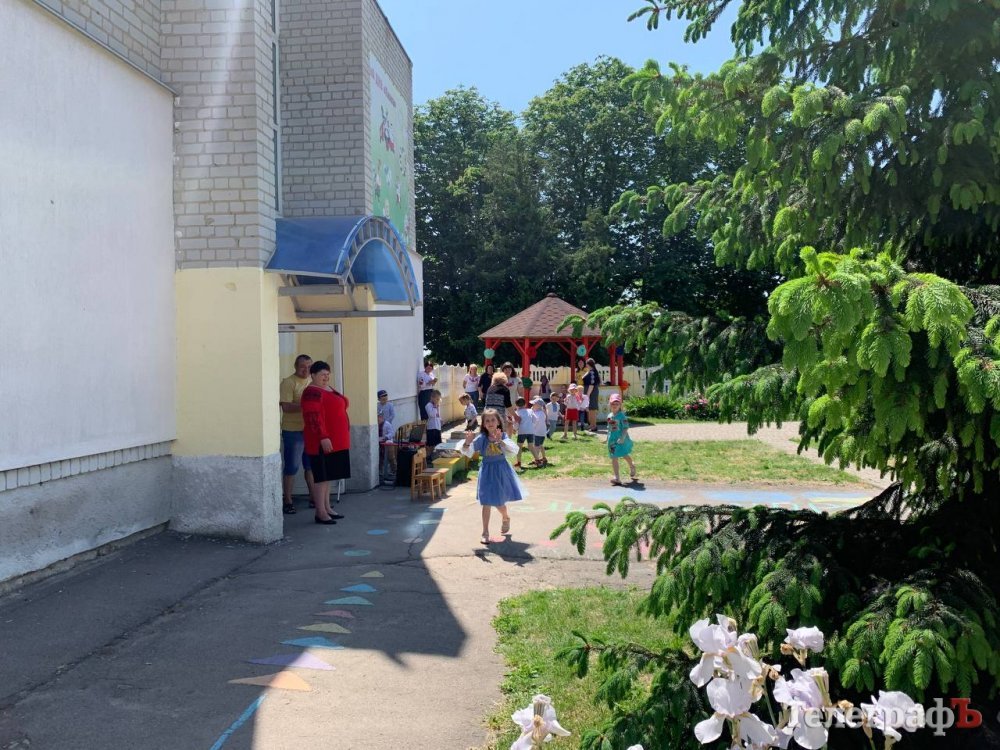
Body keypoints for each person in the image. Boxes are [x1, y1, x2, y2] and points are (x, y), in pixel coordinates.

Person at [460, 408, 522, 545]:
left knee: (499, 502)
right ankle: (485, 533)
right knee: (486, 502)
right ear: (483, 424)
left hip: (501, 470)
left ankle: (505, 517)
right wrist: (467, 442)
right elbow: (467, 451)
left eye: (493, 420)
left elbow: (512, 450)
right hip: (487, 471)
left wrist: (501, 441)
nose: (490, 423)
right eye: (487, 421)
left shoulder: (503, 436)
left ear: (498, 422)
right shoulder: (482, 438)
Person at [301, 361, 350, 525]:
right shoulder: (311, 392)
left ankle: (327, 507)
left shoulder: (326, 388)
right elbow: (312, 417)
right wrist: (322, 436)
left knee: (328, 476)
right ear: (313, 375)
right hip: (321, 442)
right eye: (322, 374)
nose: (326, 377)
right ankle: (320, 512)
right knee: (321, 477)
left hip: (335, 441)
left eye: (328, 374)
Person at [279, 354, 315, 514]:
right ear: (295, 366)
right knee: (291, 468)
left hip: (310, 430)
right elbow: (286, 407)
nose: (306, 370)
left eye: (309, 367)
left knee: (311, 467)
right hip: (293, 431)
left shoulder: (312, 382)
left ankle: (314, 498)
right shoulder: (288, 382)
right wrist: (306, 405)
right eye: (302, 366)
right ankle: (287, 501)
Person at [606, 393, 637, 485]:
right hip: (612, 441)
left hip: (621, 439)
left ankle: (632, 465)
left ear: (620, 405)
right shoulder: (609, 416)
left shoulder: (622, 416)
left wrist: (622, 437)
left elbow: (625, 428)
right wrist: (606, 438)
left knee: (624, 455)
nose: (615, 405)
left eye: (617, 403)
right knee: (614, 457)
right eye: (613, 403)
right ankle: (617, 478)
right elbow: (609, 428)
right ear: (610, 404)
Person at [512, 397, 534, 470]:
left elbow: (516, 423)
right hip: (530, 431)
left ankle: (519, 462)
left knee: (519, 447)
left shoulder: (516, 413)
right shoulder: (530, 410)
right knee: (531, 447)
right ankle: (537, 460)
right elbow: (534, 419)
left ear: (516, 405)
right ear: (525, 404)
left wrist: (514, 429)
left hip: (522, 432)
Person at [424, 389, 443, 466]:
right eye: (437, 399)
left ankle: (435, 457)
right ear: (432, 398)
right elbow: (432, 415)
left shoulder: (437, 405)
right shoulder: (428, 405)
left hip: (437, 426)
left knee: (437, 443)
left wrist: (440, 419)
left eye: (439, 399)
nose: (438, 400)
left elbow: (438, 415)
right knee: (430, 445)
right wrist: (435, 406)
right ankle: (428, 457)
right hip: (431, 427)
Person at [529, 397, 549, 467]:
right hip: (541, 432)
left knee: (536, 447)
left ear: (538, 405)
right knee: (540, 445)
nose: (532, 406)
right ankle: (544, 458)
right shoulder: (540, 412)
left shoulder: (539, 413)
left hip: (538, 432)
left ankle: (536, 459)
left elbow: (536, 423)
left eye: (534, 404)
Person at [583, 358, 601, 432]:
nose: (586, 365)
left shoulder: (592, 372)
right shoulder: (590, 371)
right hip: (589, 391)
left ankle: (594, 426)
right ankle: (591, 425)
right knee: (590, 409)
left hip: (591, 392)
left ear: (589, 364)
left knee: (592, 409)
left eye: (586, 363)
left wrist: (587, 395)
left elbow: (591, 385)